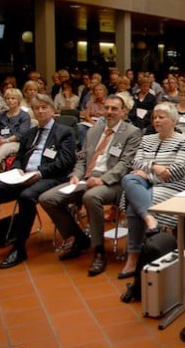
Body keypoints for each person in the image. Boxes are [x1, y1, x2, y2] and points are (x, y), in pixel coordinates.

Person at [39, 95, 141, 276]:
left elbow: (125, 164)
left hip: (113, 183)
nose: (109, 112)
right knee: (47, 199)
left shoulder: (131, 132)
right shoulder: (94, 130)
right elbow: (82, 159)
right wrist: (76, 176)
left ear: (123, 111)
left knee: (91, 197)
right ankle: (80, 239)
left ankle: (99, 249)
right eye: (106, 108)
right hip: (86, 179)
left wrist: (103, 179)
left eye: (114, 109)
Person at [0, 94, 76, 269]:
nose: (41, 111)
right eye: (37, 108)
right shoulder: (30, 133)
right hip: (23, 176)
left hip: (49, 177)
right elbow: (19, 157)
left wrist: (39, 172)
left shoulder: (64, 132)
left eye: (44, 107)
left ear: (52, 110)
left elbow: (65, 162)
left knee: (26, 197)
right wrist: (17, 168)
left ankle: (19, 247)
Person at [119, 102, 185, 280]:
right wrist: (156, 168)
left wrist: (148, 173)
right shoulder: (146, 139)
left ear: (173, 120)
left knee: (134, 205)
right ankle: (149, 219)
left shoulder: (184, 141)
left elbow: (178, 171)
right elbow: (135, 163)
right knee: (128, 179)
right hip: (141, 184)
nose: (156, 120)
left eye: (161, 117)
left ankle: (133, 257)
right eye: (154, 117)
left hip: (170, 188)